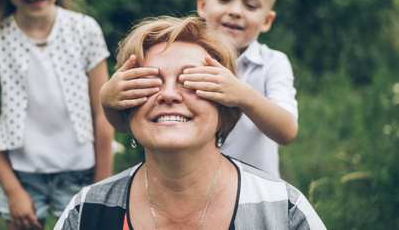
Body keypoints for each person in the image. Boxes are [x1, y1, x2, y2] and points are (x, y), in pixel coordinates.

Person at [55, 16, 325, 229]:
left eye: (189, 81)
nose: (169, 94)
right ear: (126, 108)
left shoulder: (284, 211)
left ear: (225, 110)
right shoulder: (85, 213)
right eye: (150, 82)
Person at [99, 0, 297, 177]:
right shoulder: (181, 55)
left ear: (267, 20)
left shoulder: (273, 63)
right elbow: (125, 126)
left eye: (250, 5)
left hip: (252, 189)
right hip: (185, 182)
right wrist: (107, 100)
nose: (235, 11)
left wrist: (243, 95)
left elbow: (287, 132)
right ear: (202, 5)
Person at [0, 0, 114, 229]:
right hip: (22, 174)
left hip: (81, 171)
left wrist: (101, 185)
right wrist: (12, 189)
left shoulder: (84, 31)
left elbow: (104, 112)